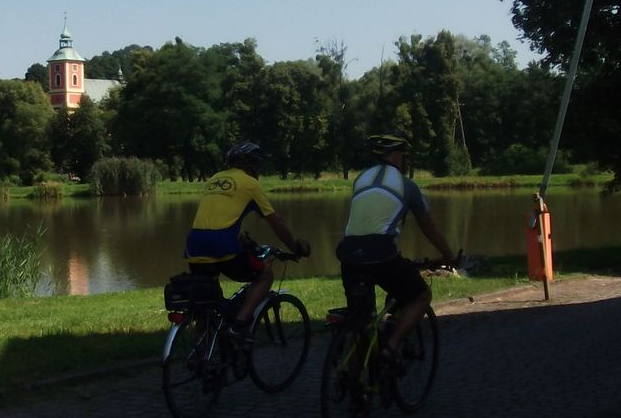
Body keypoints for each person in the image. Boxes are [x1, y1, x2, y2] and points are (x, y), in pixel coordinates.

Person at [335, 132, 458, 368]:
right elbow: (430, 229)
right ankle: (390, 348)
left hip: (349, 253)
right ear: (398, 155)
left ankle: (351, 378)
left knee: (362, 320)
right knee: (421, 295)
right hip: (381, 254)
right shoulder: (407, 186)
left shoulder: (360, 180)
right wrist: (448, 256)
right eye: (406, 156)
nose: (408, 162)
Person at [184, 141, 309, 338]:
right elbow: (276, 221)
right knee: (265, 275)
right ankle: (240, 324)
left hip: (194, 245)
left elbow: (218, 217)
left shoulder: (215, 179)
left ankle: (202, 349)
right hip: (222, 246)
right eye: (258, 164)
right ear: (252, 165)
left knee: (207, 304)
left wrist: (243, 240)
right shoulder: (250, 184)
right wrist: (294, 246)